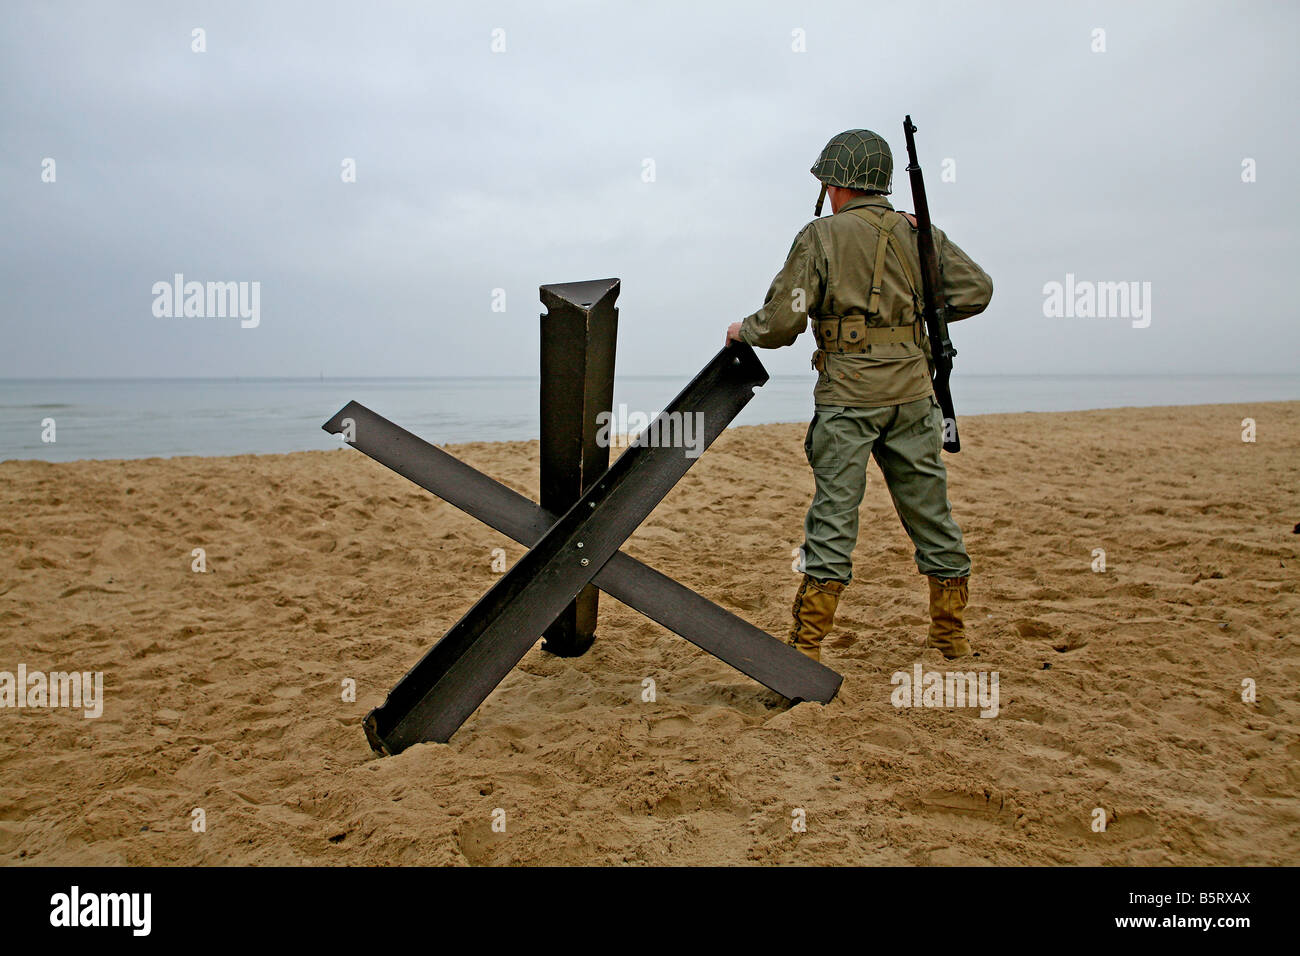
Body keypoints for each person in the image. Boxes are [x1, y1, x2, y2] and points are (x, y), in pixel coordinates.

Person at [725, 128, 993, 662]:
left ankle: (807, 646)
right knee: (930, 513)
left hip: (848, 397)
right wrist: (921, 311)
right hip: (914, 395)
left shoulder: (820, 236)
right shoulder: (920, 234)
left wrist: (743, 330)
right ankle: (950, 637)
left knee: (834, 516)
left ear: (835, 183)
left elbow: (782, 322)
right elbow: (976, 291)